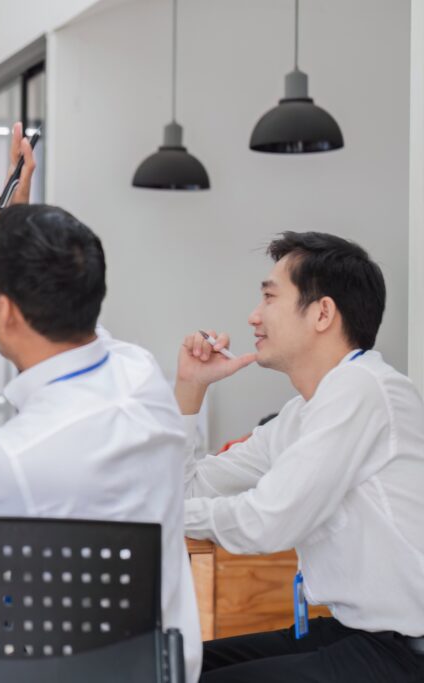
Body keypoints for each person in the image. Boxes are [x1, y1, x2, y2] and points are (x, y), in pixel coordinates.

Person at [0, 126, 202, 682]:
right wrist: (19, 225)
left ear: (7, 313)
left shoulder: (11, 458)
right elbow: (73, 317)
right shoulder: (142, 379)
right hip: (163, 669)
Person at [175, 232, 424, 682]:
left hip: (405, 655)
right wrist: (192, 389)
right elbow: (188, 489)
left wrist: (160, 512)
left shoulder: (364, 387)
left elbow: (269, 520)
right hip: (357, 634)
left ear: (322, 313)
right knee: (172, 667)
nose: (253, 316)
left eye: (269, 298)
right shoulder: (299, 415)